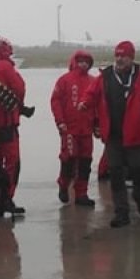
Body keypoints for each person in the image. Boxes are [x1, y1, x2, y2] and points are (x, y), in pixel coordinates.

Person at [81, 41, 140, 228]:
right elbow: (91, 94)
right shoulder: (105, 77)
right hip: (113, 135)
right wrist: (85, 103)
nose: (119, 59)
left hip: (136, 134)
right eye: (117, 55)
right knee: (115, 173)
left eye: (123, 56)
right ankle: (121, 212)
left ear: (131, 58)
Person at [0, 36, 26, 219]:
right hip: (6, 124)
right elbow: (19, 89)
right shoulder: (5, 66)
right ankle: (6, 198)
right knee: (12, 163)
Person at [51, 50, 97, 207]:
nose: (83, 64)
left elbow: (98, 105)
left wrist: (97, 125)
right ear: (75, 62)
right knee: (68, 159)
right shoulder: (64, 80)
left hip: (86, 129)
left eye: (86, 61)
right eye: (80, 61)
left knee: (85, 162)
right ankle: (63, 185)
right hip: (69, 129)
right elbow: (55, 101)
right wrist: (60, 122)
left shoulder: (93, 81)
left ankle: (81, 194)